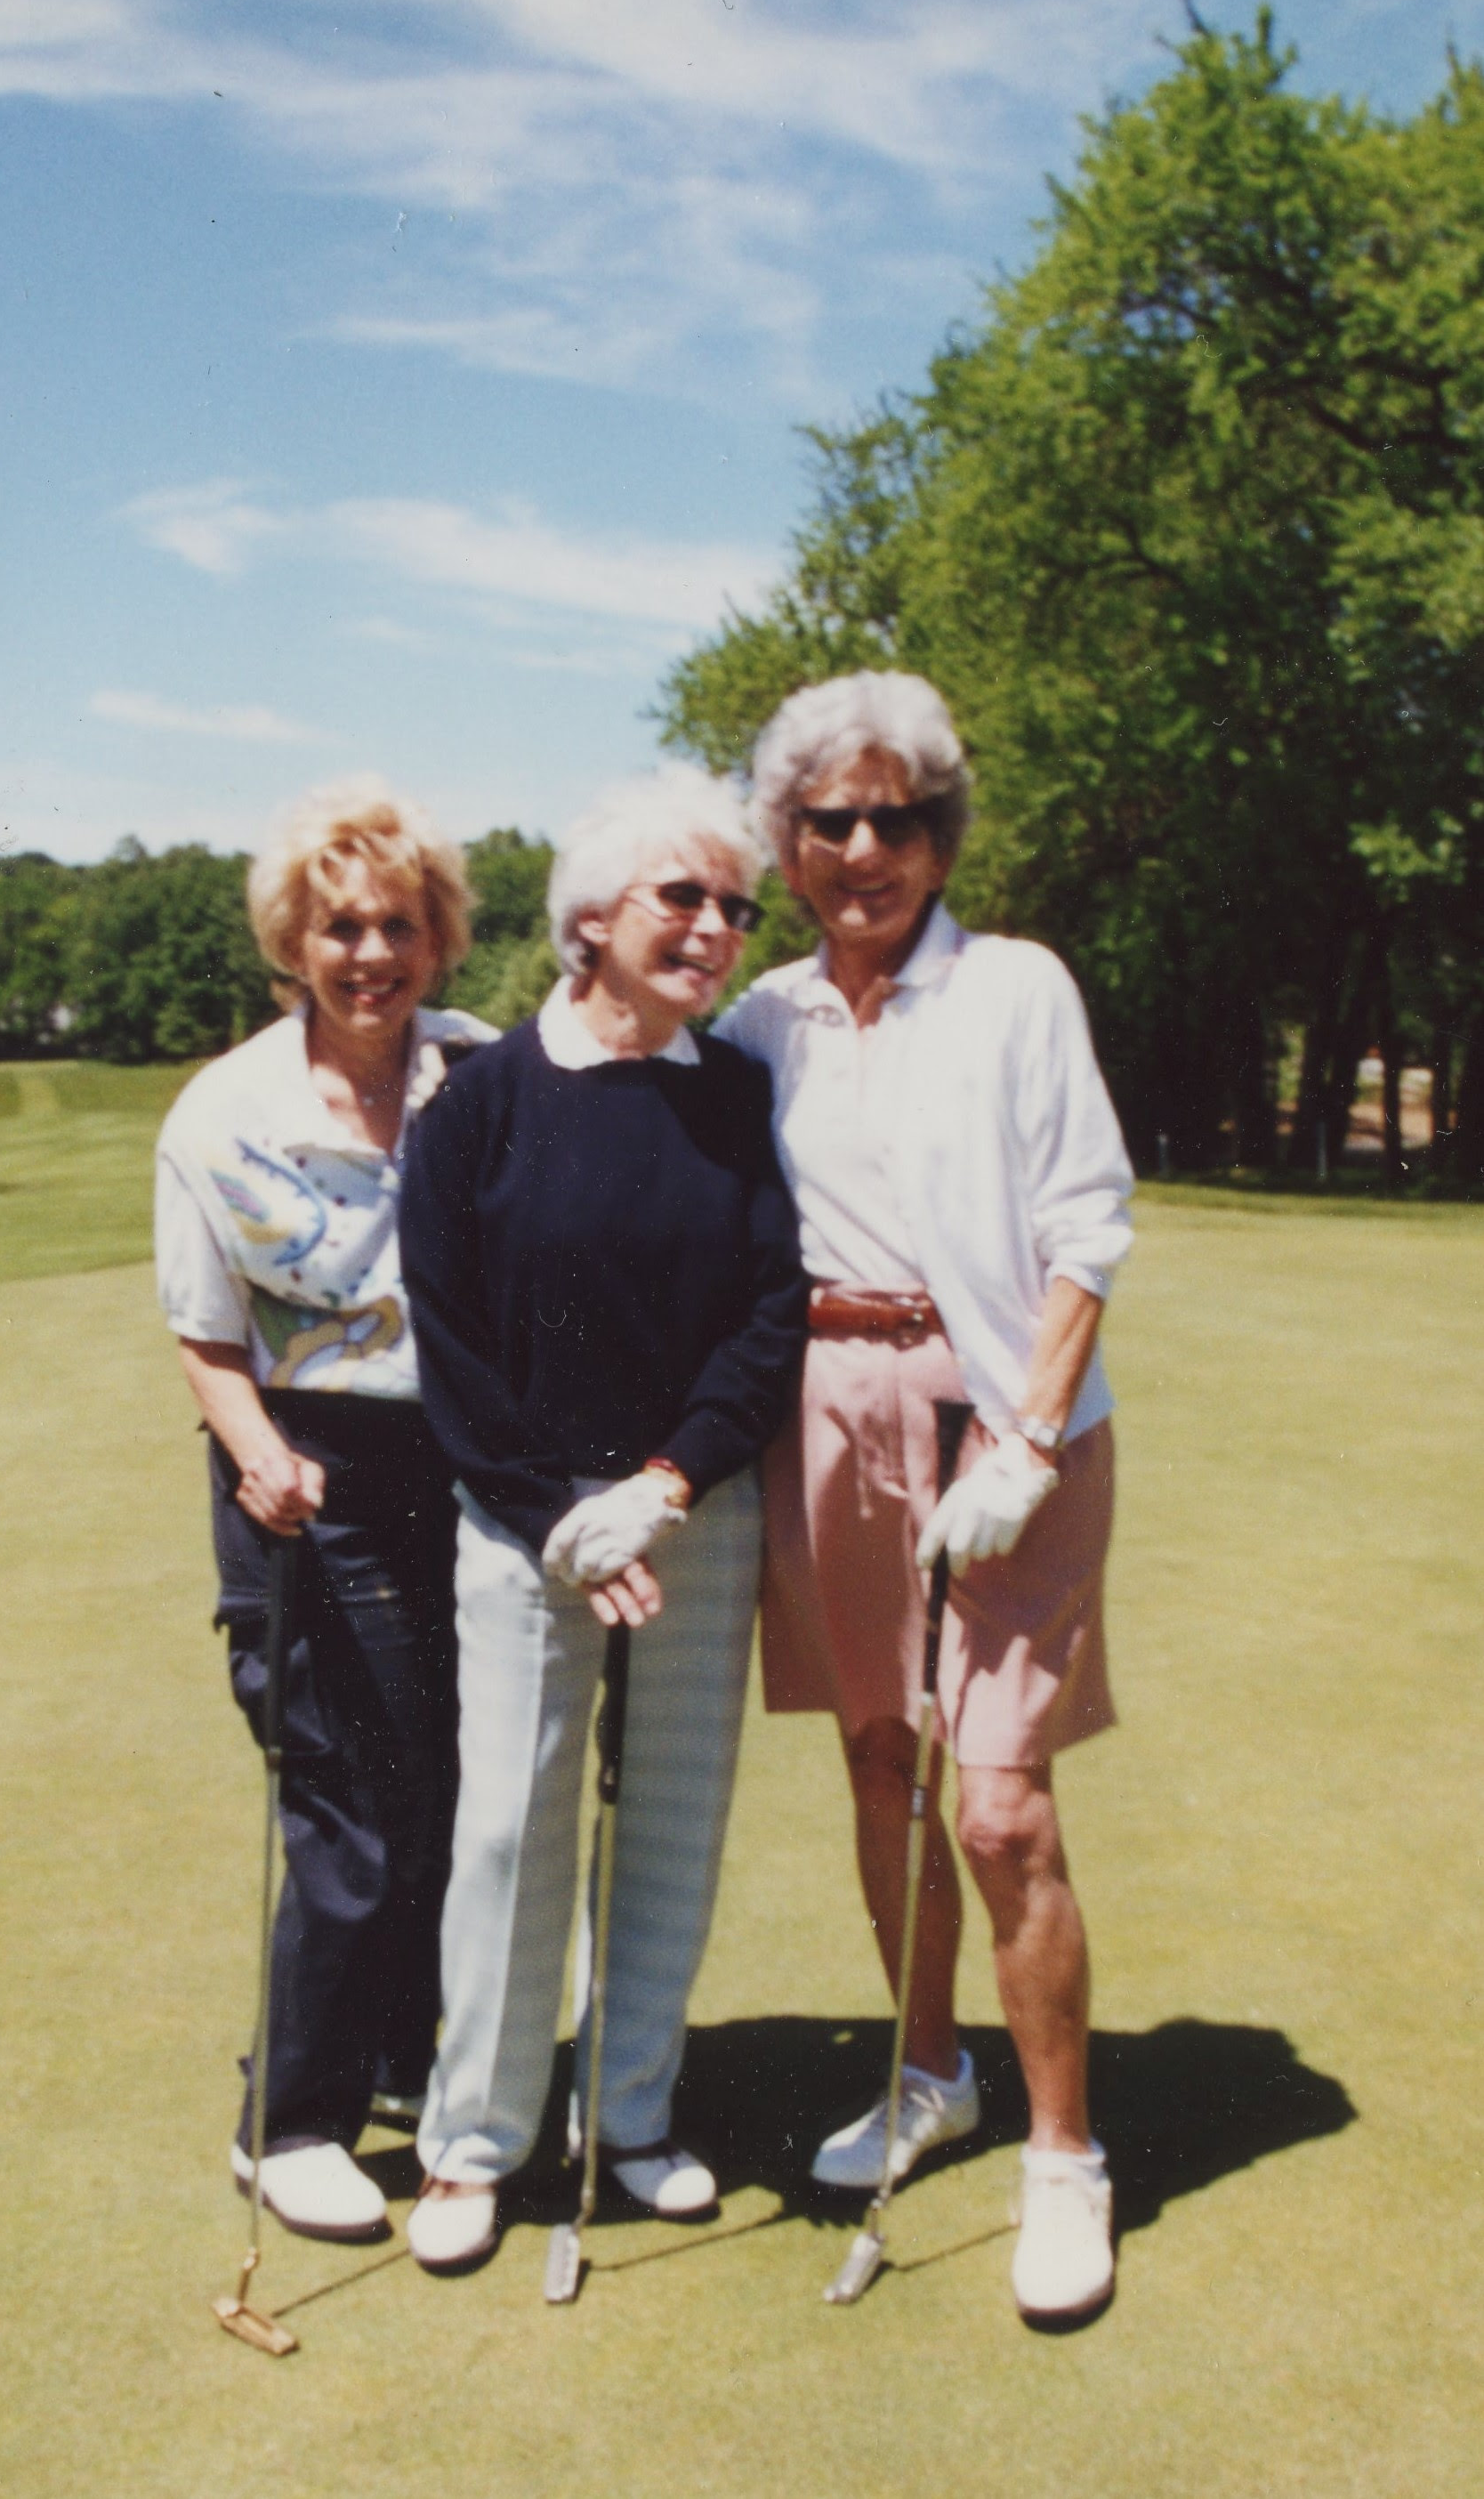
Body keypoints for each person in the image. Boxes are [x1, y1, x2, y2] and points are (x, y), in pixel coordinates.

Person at [717, 671, 1134, 2325]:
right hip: (825, 1414)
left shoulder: (1015, 988)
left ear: (940, 830)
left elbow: (1087, 1227)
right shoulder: (762, 1019)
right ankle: (928, 2070)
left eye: (900, 817)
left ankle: (1062, 2160)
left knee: (995, 1804)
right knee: (882, 1767)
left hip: (1002, 1416)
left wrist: (1025, 1440)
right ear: (789, 843)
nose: (869, 847)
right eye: (832, 821)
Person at [397, 765, 808, 2272]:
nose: (715, 927)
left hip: (691, 1513)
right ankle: (475, 2144)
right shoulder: (481, 1105)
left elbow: (770, 1317)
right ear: (592, 917)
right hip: (523, 1530)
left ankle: (630, 2116)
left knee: (673, 1830)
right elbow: (451, 1342)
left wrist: (663, 1488)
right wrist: (564, 1514)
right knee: (509, 1829)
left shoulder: (735, 1094)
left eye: (735, 907)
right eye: (682, 898)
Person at [154, 777, 494, 2242]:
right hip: (303, 1475)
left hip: (465, 1470)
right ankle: (289, 2122)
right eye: (340, 926)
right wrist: (255, 1452)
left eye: (399, 926)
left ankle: (407, 2061)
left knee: (450, 1780)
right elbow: (206, 1333)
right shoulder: (227, 1108)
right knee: (350, 1796)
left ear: (440, 939)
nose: (371, 954)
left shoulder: (481, 1074)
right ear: (294, 939)